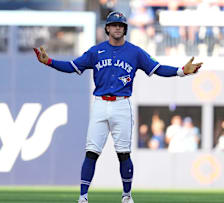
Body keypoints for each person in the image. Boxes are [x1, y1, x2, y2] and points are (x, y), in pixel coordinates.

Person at [33, 11, 202, 203]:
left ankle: (127, 196)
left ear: (125, 29)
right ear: (107, 28)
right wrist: (49, 62)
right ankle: (83, 197)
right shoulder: (96, 51)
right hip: (100, 104)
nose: (117, 28)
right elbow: (72, 66)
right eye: (114, 25)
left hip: (122, 104)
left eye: (121, 25)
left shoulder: (135, 52)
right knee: (91, 152)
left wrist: (180, 71)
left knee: (123, 153)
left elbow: (157, 68)